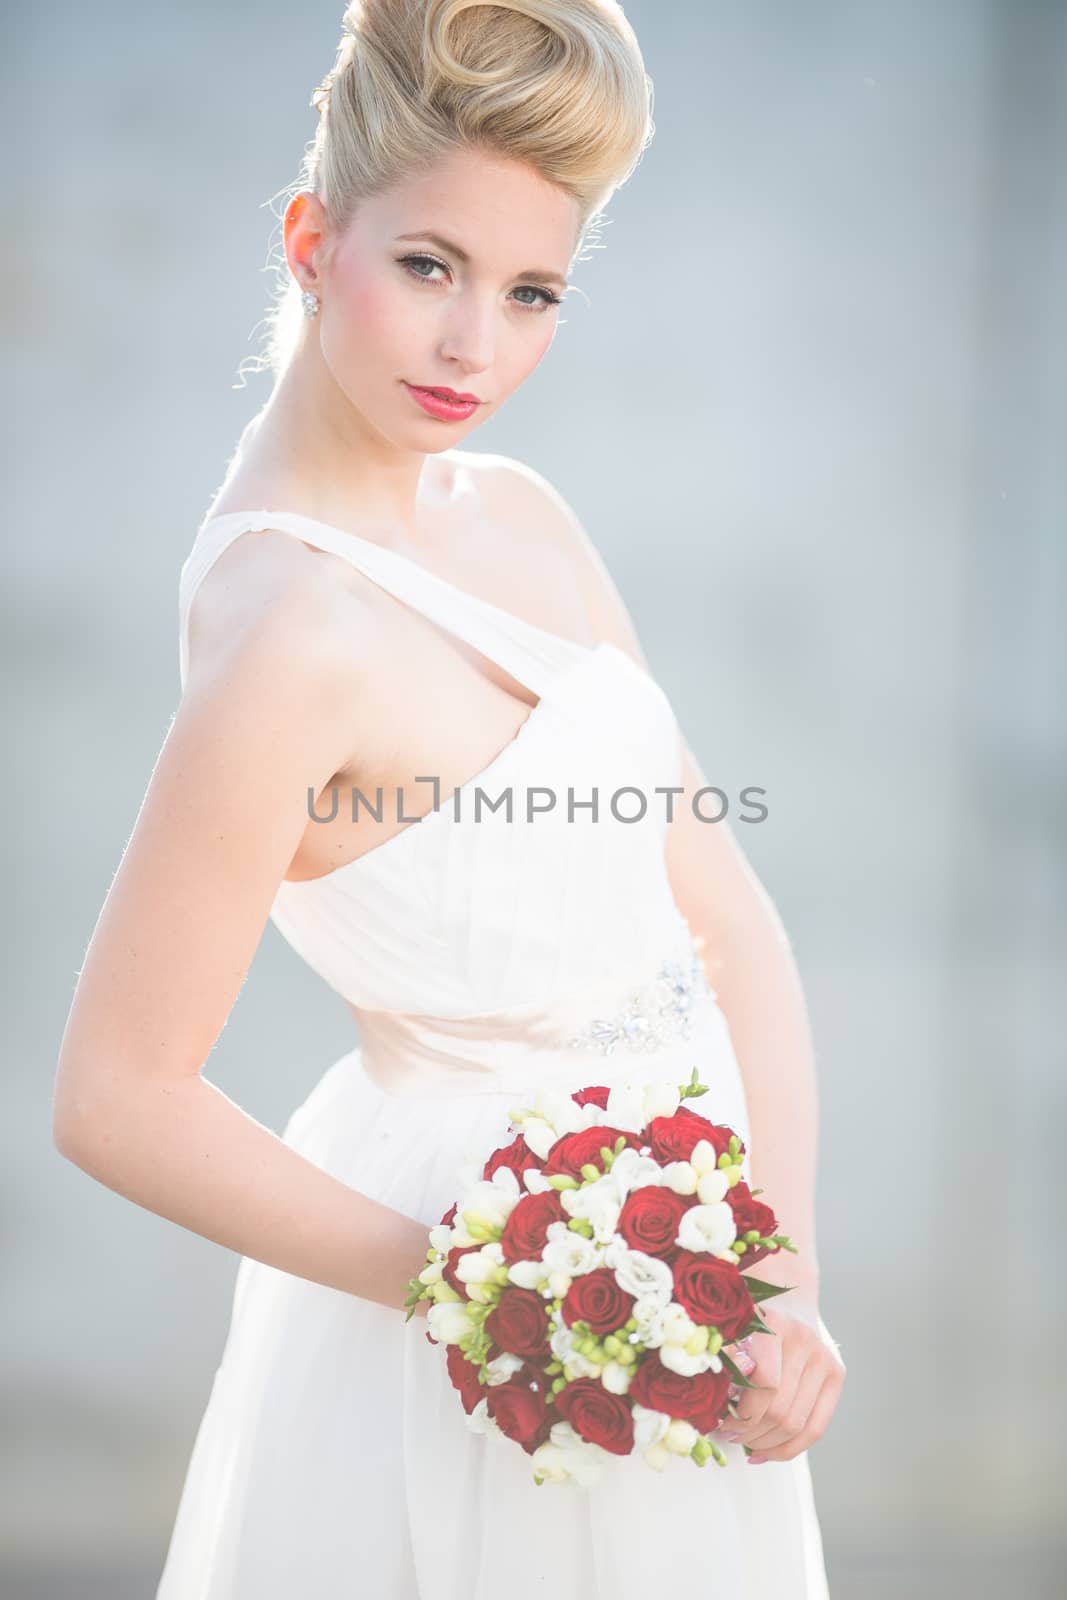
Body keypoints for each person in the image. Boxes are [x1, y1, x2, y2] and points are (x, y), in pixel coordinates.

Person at [52, 1, 844, 1594]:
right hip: (482, 1300)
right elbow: (116, 1095)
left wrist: (776, 1278)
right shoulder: (288, 637)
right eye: (428, 267)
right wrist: (487, 1289)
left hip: (690, 1275)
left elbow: (728, 917)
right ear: (308, 236)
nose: (475, 346)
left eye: (531, 291)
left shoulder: (525, 517)